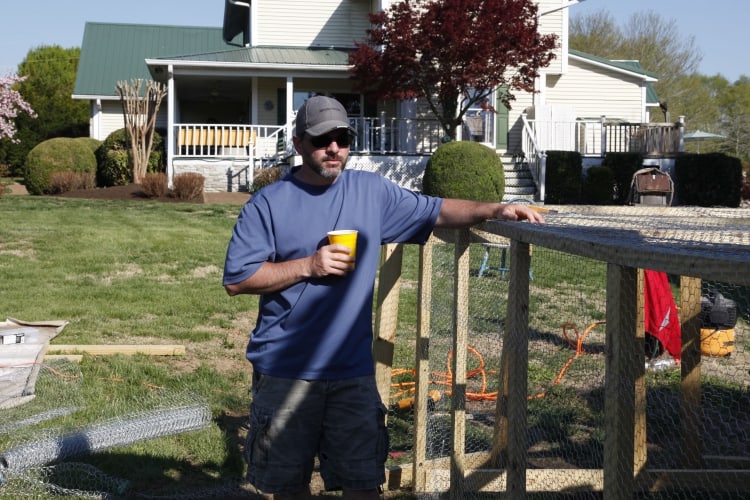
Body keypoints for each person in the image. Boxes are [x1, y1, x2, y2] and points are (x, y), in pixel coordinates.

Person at [223, 95, 543, 499]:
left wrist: (495, 209)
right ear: (300, 141)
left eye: (342, 138)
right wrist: (309, 265)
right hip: (286, 369)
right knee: (289, 488)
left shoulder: (371, 192)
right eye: (323, 139)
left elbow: (438, 211)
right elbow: (238, 278)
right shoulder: (268, 203)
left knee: (363, 484)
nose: (334, 148)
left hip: (351, 371)